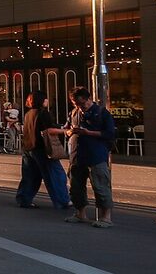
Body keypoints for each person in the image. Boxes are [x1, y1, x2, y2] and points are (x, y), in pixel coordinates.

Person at [64, 87, 115, 228]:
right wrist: (69, 132)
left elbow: (109, 134)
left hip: (96, 154)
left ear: (88, 99)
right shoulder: (74, 113)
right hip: (77, 154)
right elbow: (66, 128)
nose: (78, 106)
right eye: (74, 103)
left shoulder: (101, 113)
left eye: (80, 103)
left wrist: (88, 132)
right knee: (76, 186)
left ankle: (106, 217)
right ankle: (80, 213)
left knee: (101, 186)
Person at [15, 90, 72, 209]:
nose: (47, 100)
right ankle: (62, 200)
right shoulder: (43, 113)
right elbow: (49, 130)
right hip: (42, 148)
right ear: (41, 100)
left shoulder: (28, 114)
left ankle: (24, 199)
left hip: (28, 147)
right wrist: (65, 131)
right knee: (55, 175)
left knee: (30, 176)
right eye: (45, 99)